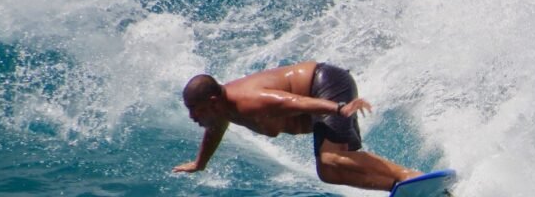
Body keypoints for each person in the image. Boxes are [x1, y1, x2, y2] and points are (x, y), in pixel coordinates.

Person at [172, 61, 423, 191]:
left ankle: (409, 176)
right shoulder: (221, 111)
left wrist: (338, 108)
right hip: (321, 96)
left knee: (331, 159)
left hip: (326, 85)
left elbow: (296, 101)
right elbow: (215, 130)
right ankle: (400, 186)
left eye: (195, 109)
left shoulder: (251, 102)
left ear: (213, 102)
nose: (192, 115)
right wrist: (200, 163)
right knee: (329, 172)